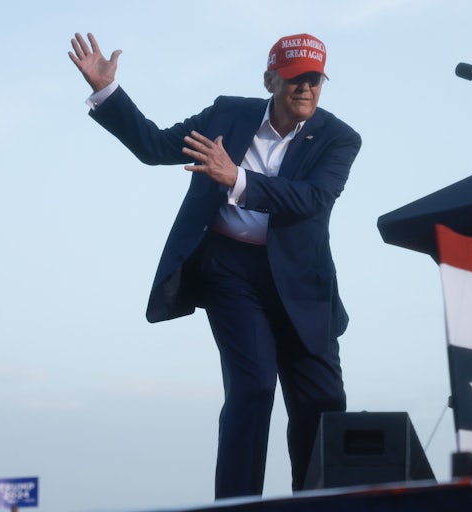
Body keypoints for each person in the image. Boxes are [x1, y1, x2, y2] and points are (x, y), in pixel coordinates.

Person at [68, 32, 362, 499]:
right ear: (270, 79)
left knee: (323, 405)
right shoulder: (228, 113)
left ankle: (316, 503)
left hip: (304, 287)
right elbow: (155, 147)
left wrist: (238, 179)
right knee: (254, 388)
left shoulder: (339, 138)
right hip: (231, 275)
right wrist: (107, 92)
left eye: (314, 79)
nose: (304, 88)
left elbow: (313, 199)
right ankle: (238, 503)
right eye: (292, 79)